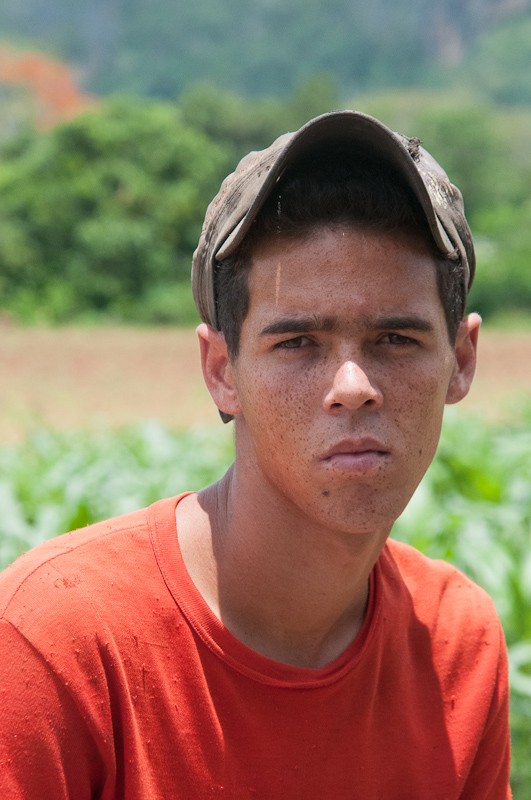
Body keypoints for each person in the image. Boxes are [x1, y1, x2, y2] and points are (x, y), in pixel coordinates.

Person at [0, 111, 510, 799]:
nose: (352, 387)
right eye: (296, 343)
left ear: (461, 360)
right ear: (219, 370)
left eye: (395, 339)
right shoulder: (58, 640)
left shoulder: (456, 643)